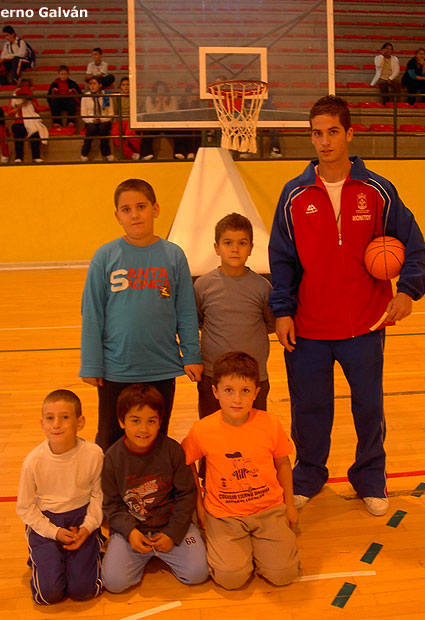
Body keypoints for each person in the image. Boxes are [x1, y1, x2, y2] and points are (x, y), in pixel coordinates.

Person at [268, 95, 425, 517]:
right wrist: (282, 310)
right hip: (308, 326)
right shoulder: (294, 195)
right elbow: (281, 260)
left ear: (350, 134)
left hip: (366, 321)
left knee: (368, 405)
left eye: (332, 132)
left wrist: (408, 292)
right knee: (309, 406)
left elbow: (415, 246)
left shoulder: (378, 190)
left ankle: (369, 479)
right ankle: (308, 475)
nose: (324, 142)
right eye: (316, 133)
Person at [79, 178, 203, 451]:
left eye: (141, 206)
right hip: (116, 369)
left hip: (161, 365)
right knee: (112, 438)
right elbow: (92, 313)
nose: (134, 214)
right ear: (117, 216)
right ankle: (111, 493)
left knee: (155, 436)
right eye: (126, 209)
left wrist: (192, 354)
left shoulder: (173, 256)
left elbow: (185, 310)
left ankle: (153, 491)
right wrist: (91, 364)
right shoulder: (105, 257)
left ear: (155, 209)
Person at [182, 351, 301, 589]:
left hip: (268, 510)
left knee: (284, 574)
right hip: (224, 515)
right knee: (230, 578)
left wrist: (288, 504)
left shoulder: (269, 423)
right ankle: (244, 552)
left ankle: (264, 550)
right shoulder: (202, 429)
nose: (237, 399)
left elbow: (283, 464)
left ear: (256, 393)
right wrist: (199, 507)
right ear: (215, 392)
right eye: (228, 390)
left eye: (245, 391)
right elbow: (187, 465)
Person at [100, 384, 208, 592]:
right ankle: (141, 553)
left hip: (170, 526)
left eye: (151, 421)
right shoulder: (112, 458)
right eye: (135, 421)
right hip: (133, 532)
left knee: (198, 574)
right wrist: (129, 532)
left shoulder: (172, 451)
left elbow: (186, 495)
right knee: (114, 582)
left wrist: (172, 533)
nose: (143, 429)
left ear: (160, 422)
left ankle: (175, 547)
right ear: (122, 422)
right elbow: (111, 505)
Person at [16, 389, 104, 605]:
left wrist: (87, 527)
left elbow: (98, 496)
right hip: (47, 522)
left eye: (65, 417)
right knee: (49, 595)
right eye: (50, 418)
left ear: (80, 422)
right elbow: (25, 508)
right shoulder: (33, 462)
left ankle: (94, 545)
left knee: (84, 591)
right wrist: (54, 532)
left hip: (81, 520)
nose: (56, 424)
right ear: (42, 423)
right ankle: (42, 555)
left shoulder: (94, 454)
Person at [194, 213, 275, 420]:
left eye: (242, 243)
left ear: (251, 248)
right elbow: (199, 321)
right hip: (213, 374)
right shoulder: (203, 285)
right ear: (216, 247)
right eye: (228, 242)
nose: (235, 249)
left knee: (254, 434)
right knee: (211, 434)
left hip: (254, 376)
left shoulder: (262, 287)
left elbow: (270, 324)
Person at [112, 76, 153, 161]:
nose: (126, 86)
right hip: (120, 119)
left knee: (129, 133)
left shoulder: (136, 97)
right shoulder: (117, 97)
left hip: (132, 119)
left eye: (128, 84)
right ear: (121, 86)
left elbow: (140, 111)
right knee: (115, 135)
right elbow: (115, 111)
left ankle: (143, 152)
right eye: (123, 85)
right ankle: (131, 155)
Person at [8, 78, 48, 163]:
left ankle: (36, 156)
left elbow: (38, 110)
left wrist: (31, 101)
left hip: (31, 121)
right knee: (18, 133)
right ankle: (18, 157)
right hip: (19, 122)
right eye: (23, 86)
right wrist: (21, 105)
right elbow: (10, 113)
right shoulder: (14, 98)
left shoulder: (32, 97)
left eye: (27, 86)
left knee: (35, 133)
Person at [80, 76, 114, 162]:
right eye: (90, 84)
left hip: (104, 120)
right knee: (91, 129)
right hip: (91, 120)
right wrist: (92, 120)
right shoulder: (85, 96)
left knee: (103, 129)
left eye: (94, 83)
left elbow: (110, 113)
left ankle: (106, 153)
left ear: (100, 85)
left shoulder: (106, 95)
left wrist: (101, 119)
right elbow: (83, 114)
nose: (92, 86)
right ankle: (84, 153)